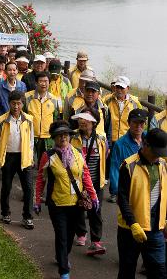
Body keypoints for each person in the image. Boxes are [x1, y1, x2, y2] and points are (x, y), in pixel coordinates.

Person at [35, 120, 99, 279]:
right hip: (57, 204)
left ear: (70, 136)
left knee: (69, 236)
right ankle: (64, 270)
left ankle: (61, 256)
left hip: (76, 204)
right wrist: (37, 200)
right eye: (59, 135)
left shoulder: (78, 153)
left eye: (65, 134)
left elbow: (85, 176)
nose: (63, 138)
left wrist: (93, 195)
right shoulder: (47, 156)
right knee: (62, 235)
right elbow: (40, 180)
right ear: (54, 138)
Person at [117, 128, 167, 279]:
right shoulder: (128, 166)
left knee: (159, 271)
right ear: (145, 145)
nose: (157, 157)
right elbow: (122, 199)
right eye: (155, 152)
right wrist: (132, 223)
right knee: (127, 270)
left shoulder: (163, 164)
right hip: (130, 230)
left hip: (156, 228)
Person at [0, 90, 35, 229]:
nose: (16, 107)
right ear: (9, 103)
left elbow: (31, 141)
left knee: (28, 188)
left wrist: (30, 156)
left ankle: (28, 216)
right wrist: (0, 158)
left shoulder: (29, 120)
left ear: (23, 103)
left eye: (18, 103)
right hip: (8, 157)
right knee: (6, 186)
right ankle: (5, 213)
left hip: (24, 157)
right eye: (13, 103)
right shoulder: (1, 120)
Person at [71, 108, 107, 255]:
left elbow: (105, 156)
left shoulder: (101, 138)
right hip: (78, 181)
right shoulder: (73, 137)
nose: (82, 121)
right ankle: (81, 233)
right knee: (78, 208)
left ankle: (96, 241)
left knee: (95, 211)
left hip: (96, 181)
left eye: (86, 118)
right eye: (80, 118)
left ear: (94, 122)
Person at [109, 108, 148, 203]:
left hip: (147, 187)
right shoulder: (120, 144)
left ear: (145, 124)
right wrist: (117, 190)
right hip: (128, 188)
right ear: (128, 123)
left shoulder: (149, 139)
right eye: (135, 122)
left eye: (141, 123)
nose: (138, 126)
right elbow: (115, 168)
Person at [24, 71, 61, 165]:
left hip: (47, 137)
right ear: (36, 83)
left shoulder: (54, 99)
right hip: (30, 135)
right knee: (28, 162)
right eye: (41, 81)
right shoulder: (27, 97)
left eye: (46, 81)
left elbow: (56, 118)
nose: (43, 83)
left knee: (45, 164)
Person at [105, 76, 142, 144]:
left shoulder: (134, 102)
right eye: (117, 87)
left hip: (127, 141)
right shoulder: (106, 100)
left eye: (122, 88)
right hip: (109, 140)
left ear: (128, 88)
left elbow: (141, 120)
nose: (119, 90)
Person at [0, 61, 27, 127]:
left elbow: (24, 103)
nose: (12, 72)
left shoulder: (22, 85)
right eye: (9, 70)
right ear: (5, 72)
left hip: (18, 120)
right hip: (3, 120)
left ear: (17, 71)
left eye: (14, 70)